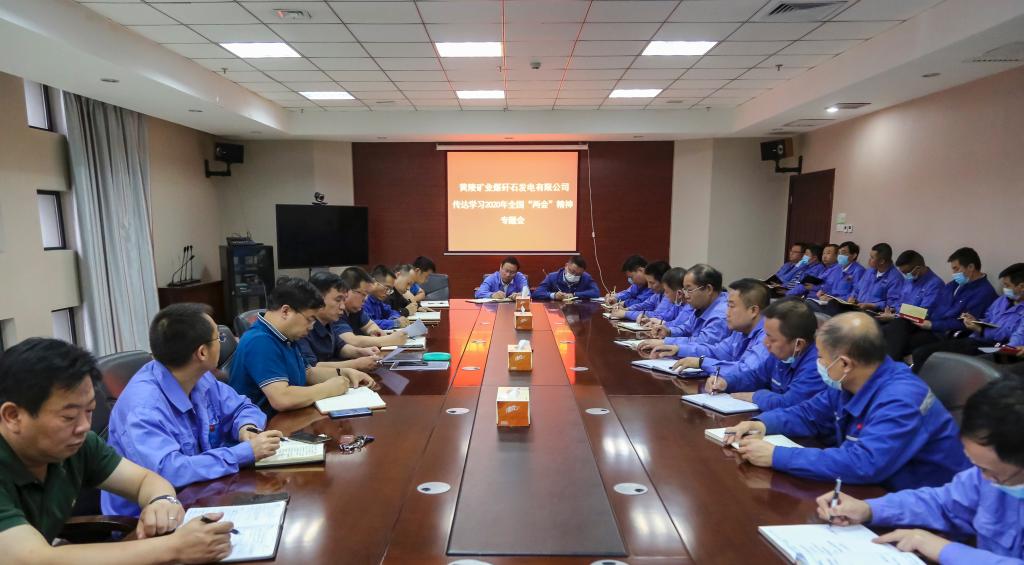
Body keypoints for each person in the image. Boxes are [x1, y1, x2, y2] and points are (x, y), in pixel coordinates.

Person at [0, 338, 235, 564]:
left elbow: (145, 481)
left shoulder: (77, 445)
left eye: (89, 411)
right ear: (12, 416)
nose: (84, 426)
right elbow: (32, 559)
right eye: (68, 417)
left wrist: (162, 501)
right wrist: (175, 547)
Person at [725, 312, 970, 490]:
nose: (818, 363)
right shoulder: (850, 381)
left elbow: (863, 463)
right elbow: (808, 414)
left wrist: (777, 456)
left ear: (844, 363)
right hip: (872, 491)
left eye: (821, 357)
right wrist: (761, 424)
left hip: (918, 508)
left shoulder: (902, 398)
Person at [816, 375, 1024, 564]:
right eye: (976, 465)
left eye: (988, 470)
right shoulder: (985, 474)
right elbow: (943, 503)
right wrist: (869, 509)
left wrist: (943, 550)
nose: (982, 477)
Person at [102, 304, 283, 516]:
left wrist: (247, 427)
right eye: (219, 338)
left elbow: (242, 406)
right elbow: (170, 471)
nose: (224, 342)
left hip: (205, 493)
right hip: (152, 519)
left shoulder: (199, 377)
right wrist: (243, 453)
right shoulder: (143, 408)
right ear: (202, 352)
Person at [229, 277, 373, 415]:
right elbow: (282, 398)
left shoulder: (286, 336)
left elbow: (308, 373)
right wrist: (328, 388)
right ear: (286, 311)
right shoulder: (260, 341)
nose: (311, 327)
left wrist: (344, 373)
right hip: (264, 426)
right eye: (310, 319)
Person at [703, 297, 827, 410]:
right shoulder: (782, 354)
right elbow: (756, 377)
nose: (765, 343)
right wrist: (726, 382)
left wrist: (756, 396)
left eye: (772, 339)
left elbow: (790, 403)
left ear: (798, 344)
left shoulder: (817, 366)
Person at [881, 247, 998, 363]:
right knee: (894, 326)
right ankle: (886, 366)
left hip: (943, 332)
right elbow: (935, 307)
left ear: (971, 267)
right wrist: (909, 315)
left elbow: (965, 324)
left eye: (956, 269)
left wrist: (932, 325)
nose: (954, 274)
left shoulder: (984, 292)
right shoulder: (953, 285)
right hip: (928, 324)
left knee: (901, 344)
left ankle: (887, 367)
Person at [910, 262, 1024, 370]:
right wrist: (975, 321)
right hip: (974, 338)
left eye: (1007, 285)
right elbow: (987, 317)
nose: (1004, 289)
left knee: (932, 358)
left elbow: (1012, 335)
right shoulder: (1003, 300)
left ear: (1021, 287)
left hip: (991, 345)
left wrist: (982, 330)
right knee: (920, 352)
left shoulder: (983, 291)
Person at [665, 279, 771, 380]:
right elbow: (717, 351)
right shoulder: (740, 331)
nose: (727, 312)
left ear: (753, 311)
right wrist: (678, 349)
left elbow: (747, 371)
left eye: (731, 306)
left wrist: (702, 362)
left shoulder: (768, 336)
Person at [296, 271, 382, 372]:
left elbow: (340, 347)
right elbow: (311, 367)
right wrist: (356, 364)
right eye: (338, 300)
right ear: (318, 299)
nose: (342, 306)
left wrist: (361, 352)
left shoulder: (328, 322)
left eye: (343, 300)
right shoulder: (301, 327)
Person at [640, 264, 729, 358]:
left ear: (708, 289)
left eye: (689, 290)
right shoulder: (703, 305)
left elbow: (701, 343)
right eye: (684, 290)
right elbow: (687, 327)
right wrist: (669, 332)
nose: (685, 295)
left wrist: (665, 342)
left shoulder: (721, 314)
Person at [332, 267, 411, 350]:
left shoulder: (356, 310)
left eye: (366, 294)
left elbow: (370, 325)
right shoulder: (336, 312)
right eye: (363, 294)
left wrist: (374, 331)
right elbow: (351, 341)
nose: (365, 299)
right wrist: (389, 340)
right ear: (347, 291)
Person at [532, 255, 601, 301]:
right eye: (572, 271)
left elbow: (596, 292)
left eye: (578, 274)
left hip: (578, 312)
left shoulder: (586, 277)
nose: (574, 275)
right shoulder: (552, 277)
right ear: (566, 266)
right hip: (558, 312)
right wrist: (554, 295)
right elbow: (536, 293)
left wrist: (574, 294)